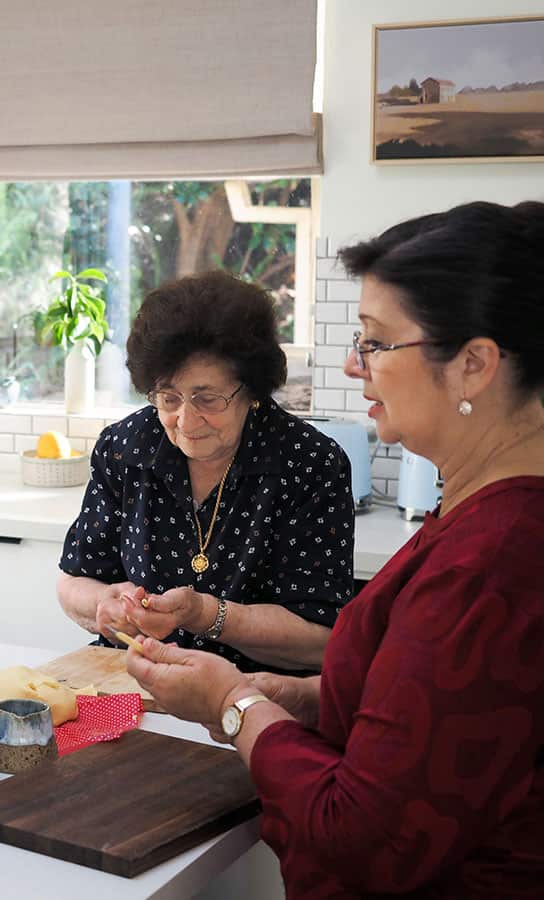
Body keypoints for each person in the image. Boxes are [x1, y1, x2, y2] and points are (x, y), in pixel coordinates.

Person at [126, 201, 544, 897]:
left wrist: (232, 702)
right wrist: (303, 698)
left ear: (473, 366)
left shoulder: (493, 563)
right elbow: (440, 719)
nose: (355, 366)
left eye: (377, 343)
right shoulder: (475, 513)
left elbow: (364, 838)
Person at [58, 270, 354, 674]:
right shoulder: (126, 448)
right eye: (169, 397)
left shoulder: (307, 464)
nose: (186, 420)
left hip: (253, 700)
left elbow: (319, 641)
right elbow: (73, 581)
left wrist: (205, 615)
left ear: (251, 391)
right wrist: (106, 604)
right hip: (134, 684)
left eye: (207, 399)